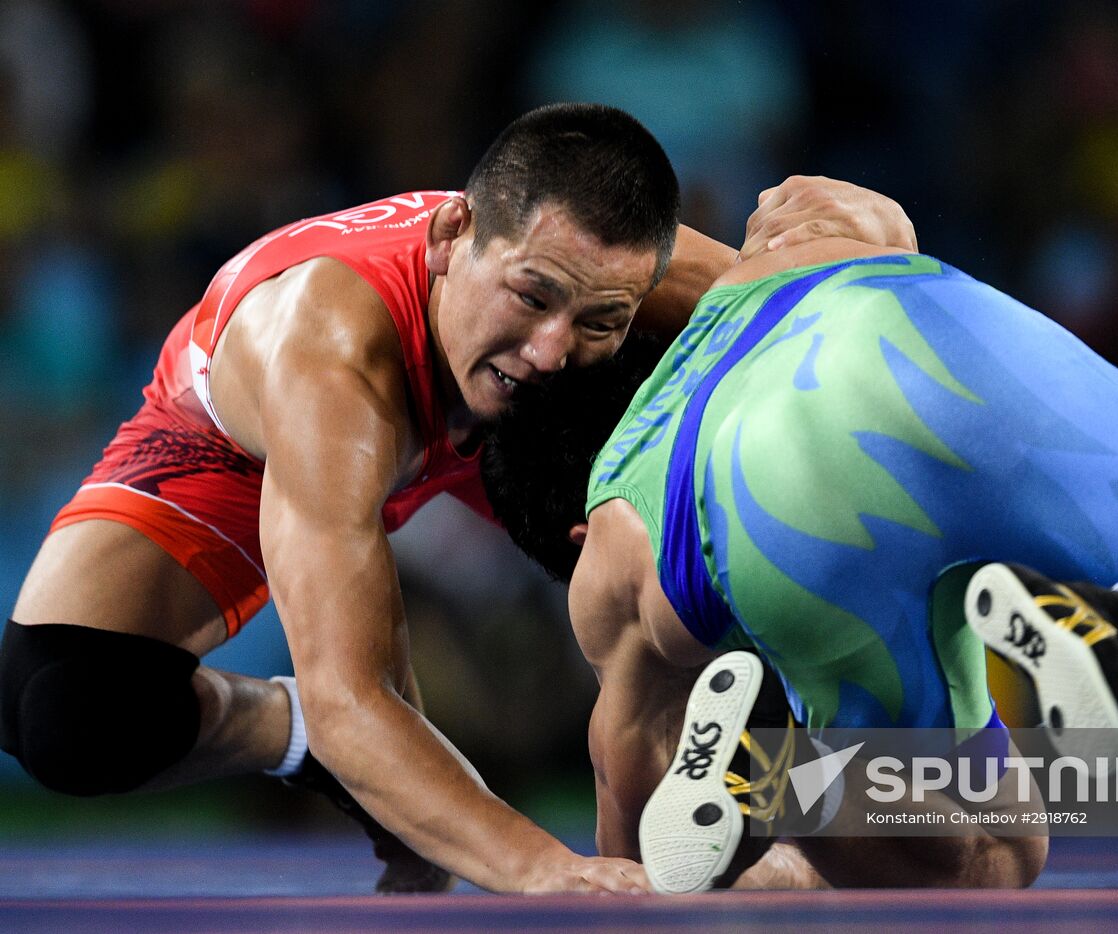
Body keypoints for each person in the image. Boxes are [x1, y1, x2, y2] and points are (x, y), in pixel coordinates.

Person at [0, 100, 917, 894]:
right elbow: (356, 695)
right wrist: (534, 866)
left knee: (679, 588)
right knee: (65, 715)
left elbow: (874, 305)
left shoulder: (621, 280)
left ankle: (854, 765)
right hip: (241, 449)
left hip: (499, 429)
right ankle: (284, 732)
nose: (555, 345)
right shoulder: (327, 365)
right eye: (533, 295)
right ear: (450, 241)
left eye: (600, 318)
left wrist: (880, 237)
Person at [481, 200, 1118, 892]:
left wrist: (700, 855)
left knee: (996, 852)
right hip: (900, 322)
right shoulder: (779, 230)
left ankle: (776, 781)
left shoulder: (612, 540)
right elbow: (879, 221)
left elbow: (635, 872)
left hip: (758, 501)